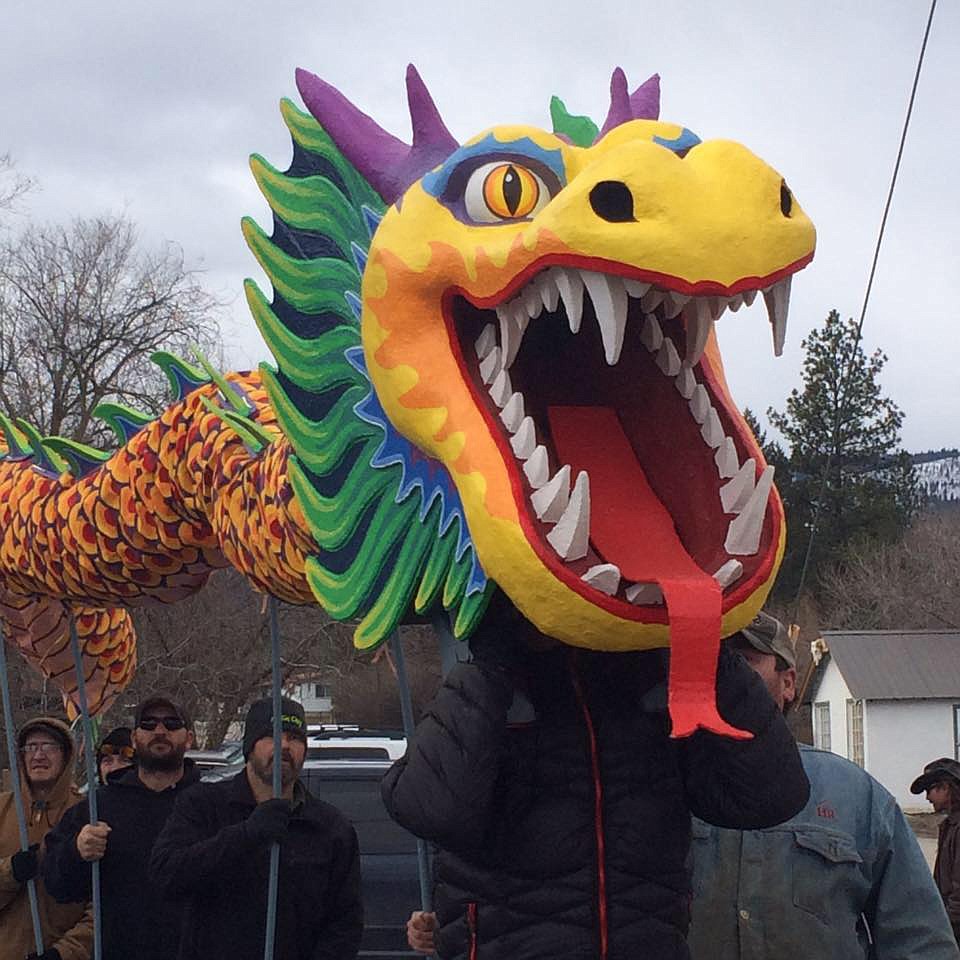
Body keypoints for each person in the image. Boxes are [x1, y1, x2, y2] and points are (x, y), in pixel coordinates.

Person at [382, 595, 809, 960]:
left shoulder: (648, 682)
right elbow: (431, 810)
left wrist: (705, 649)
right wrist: (490, 663)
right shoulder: (488, 680)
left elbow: (771, 796)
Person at [689, 613, 959, 959]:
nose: (724, 674)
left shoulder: (857, 796)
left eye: (743, 660)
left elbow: (921, 942)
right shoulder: (662, 786)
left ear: (788, 683)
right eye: (713, 660)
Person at [151, 696, 363, 960]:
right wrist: (248, 834)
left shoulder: (331, 828)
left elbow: (345, 922)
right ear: (250, 747)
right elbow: (168, 874)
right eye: (272, 735)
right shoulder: (202, 805)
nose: (284, 745)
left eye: (295, 738)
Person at [43, 695, 200, 960]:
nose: (160, 731)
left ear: (189, 738)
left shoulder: (212, 806)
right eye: (148, 724)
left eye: (172, 723)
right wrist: (76, 850)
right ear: (135, 738)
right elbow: (57, 884)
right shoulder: (97, 807)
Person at [1, 717, 93, 960]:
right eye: (31, 747)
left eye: (49, 747)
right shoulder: (2, 810)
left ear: (66, 755)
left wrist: (64, 953)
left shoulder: (87, 814)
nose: (38, 755)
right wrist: (12, 871)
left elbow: (102, 905)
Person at [911, 757, 960, 944]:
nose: (927, 798)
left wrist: (943, 925)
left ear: (945, 788)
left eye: (929, 790)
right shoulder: (949, 825)